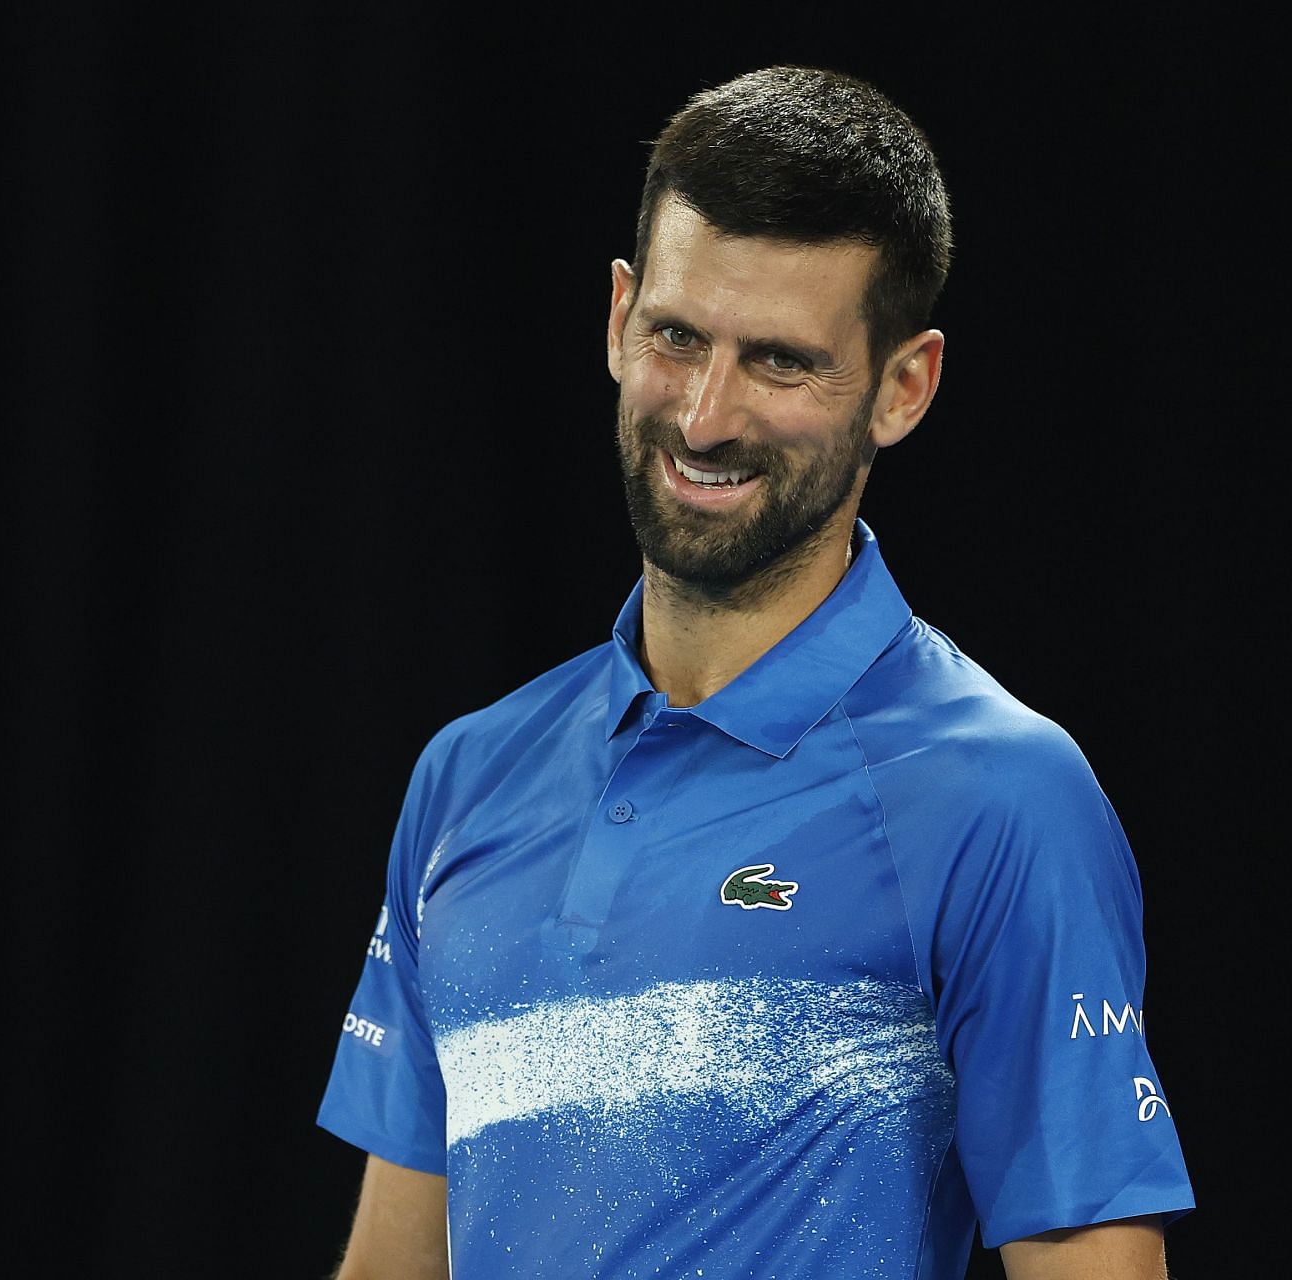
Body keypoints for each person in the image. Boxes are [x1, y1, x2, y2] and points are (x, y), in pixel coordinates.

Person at [318, 65, 1194, 1280]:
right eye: (678, 337)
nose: (707, 414)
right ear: (620, 318)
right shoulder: (465, 777)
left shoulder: (1004, 797)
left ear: (904, 386)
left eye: (779, 361)